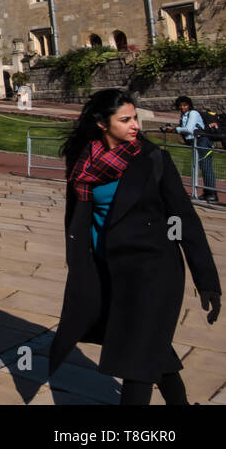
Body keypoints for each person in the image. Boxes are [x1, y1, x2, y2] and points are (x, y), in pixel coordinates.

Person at [50, 88, 221, 405]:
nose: (135, 126)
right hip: (110, 272)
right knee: (150, 344)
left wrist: (207, 279)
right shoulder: (83, 161)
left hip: (154, 271)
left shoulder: (153, 159)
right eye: (125, 119)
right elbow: (78, 220)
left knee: (136, 360)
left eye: (135, 118)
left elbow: (184, 218)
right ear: (102, 123)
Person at [162, 96, 218, 204]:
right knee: (202, 167)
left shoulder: (193, 113)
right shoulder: (184, 115)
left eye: (185, 105)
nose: (182, 107)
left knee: (206, 166)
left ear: (189, 105)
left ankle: (212, 194)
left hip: (203, 141)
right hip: (195, 142)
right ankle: (207, 193)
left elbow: (189, 129)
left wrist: (175, 129)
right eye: (181, 105)